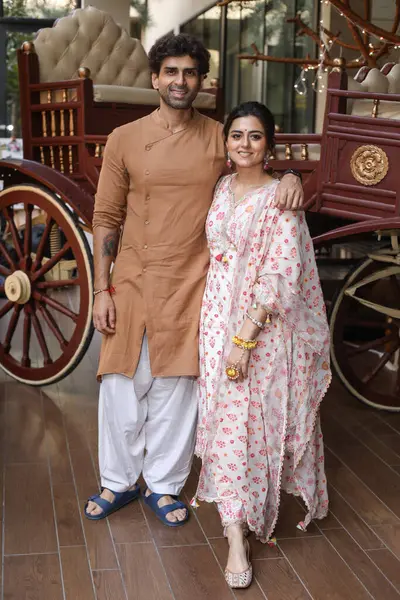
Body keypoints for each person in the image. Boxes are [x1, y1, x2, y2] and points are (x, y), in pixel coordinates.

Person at [84, 33, 304, 525]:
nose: (180, 81)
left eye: (189, 73)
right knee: (121, 383)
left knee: (178, 388)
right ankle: (117, 481)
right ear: (155, 78)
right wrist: (102, 288)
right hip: (134, 277)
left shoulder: (215, 137)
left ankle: (163, 485)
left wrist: (291, 178)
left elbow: (254, 169)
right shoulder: (124, 138)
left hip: (193, 282)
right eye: (171, 72)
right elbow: (106, 217)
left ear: (200, 81)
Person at [192, 101, 331, 588]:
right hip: (214, 319)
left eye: (255, 136)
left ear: (269, 145)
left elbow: (279, 275)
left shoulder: (282, 202)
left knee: (250, 423)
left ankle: (239, 530)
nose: (244, 144)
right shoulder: (222, 188)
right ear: (226, 143)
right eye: (237, 135)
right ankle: (234, 526)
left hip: (260, 331)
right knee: (222, 416)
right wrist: (222, 334)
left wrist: (244, 340)